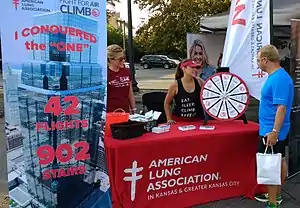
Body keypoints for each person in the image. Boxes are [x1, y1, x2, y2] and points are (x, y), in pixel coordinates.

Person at [255, 45, 294, 208]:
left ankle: (272, 202)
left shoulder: (279, 79)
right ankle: (275, 195)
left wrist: (274, 132)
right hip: (272, 129)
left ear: (265, 59)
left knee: (271, 164)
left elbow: (281, 107)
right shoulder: (277, 77)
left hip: (272, 131)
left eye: (258, 60)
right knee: (279, 160)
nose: (258, 63)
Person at [164, 59, 205, 125]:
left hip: (198, 120)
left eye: (196, 67)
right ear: (184, 69)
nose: (195, 69)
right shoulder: (175, 85)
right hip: (180, 121)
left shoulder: (199, 81)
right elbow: (167, 103)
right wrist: (169, 119)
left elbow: (211, 92)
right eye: (192, 67)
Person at [107, 44, 136, 113]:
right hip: (110, 112)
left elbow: (130, 93)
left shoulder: (126, 71)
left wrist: (133, 109)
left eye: (124, 58)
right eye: (120, 59)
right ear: (111, 60)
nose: (123, 61)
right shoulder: (105, 74)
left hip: (124, 111)